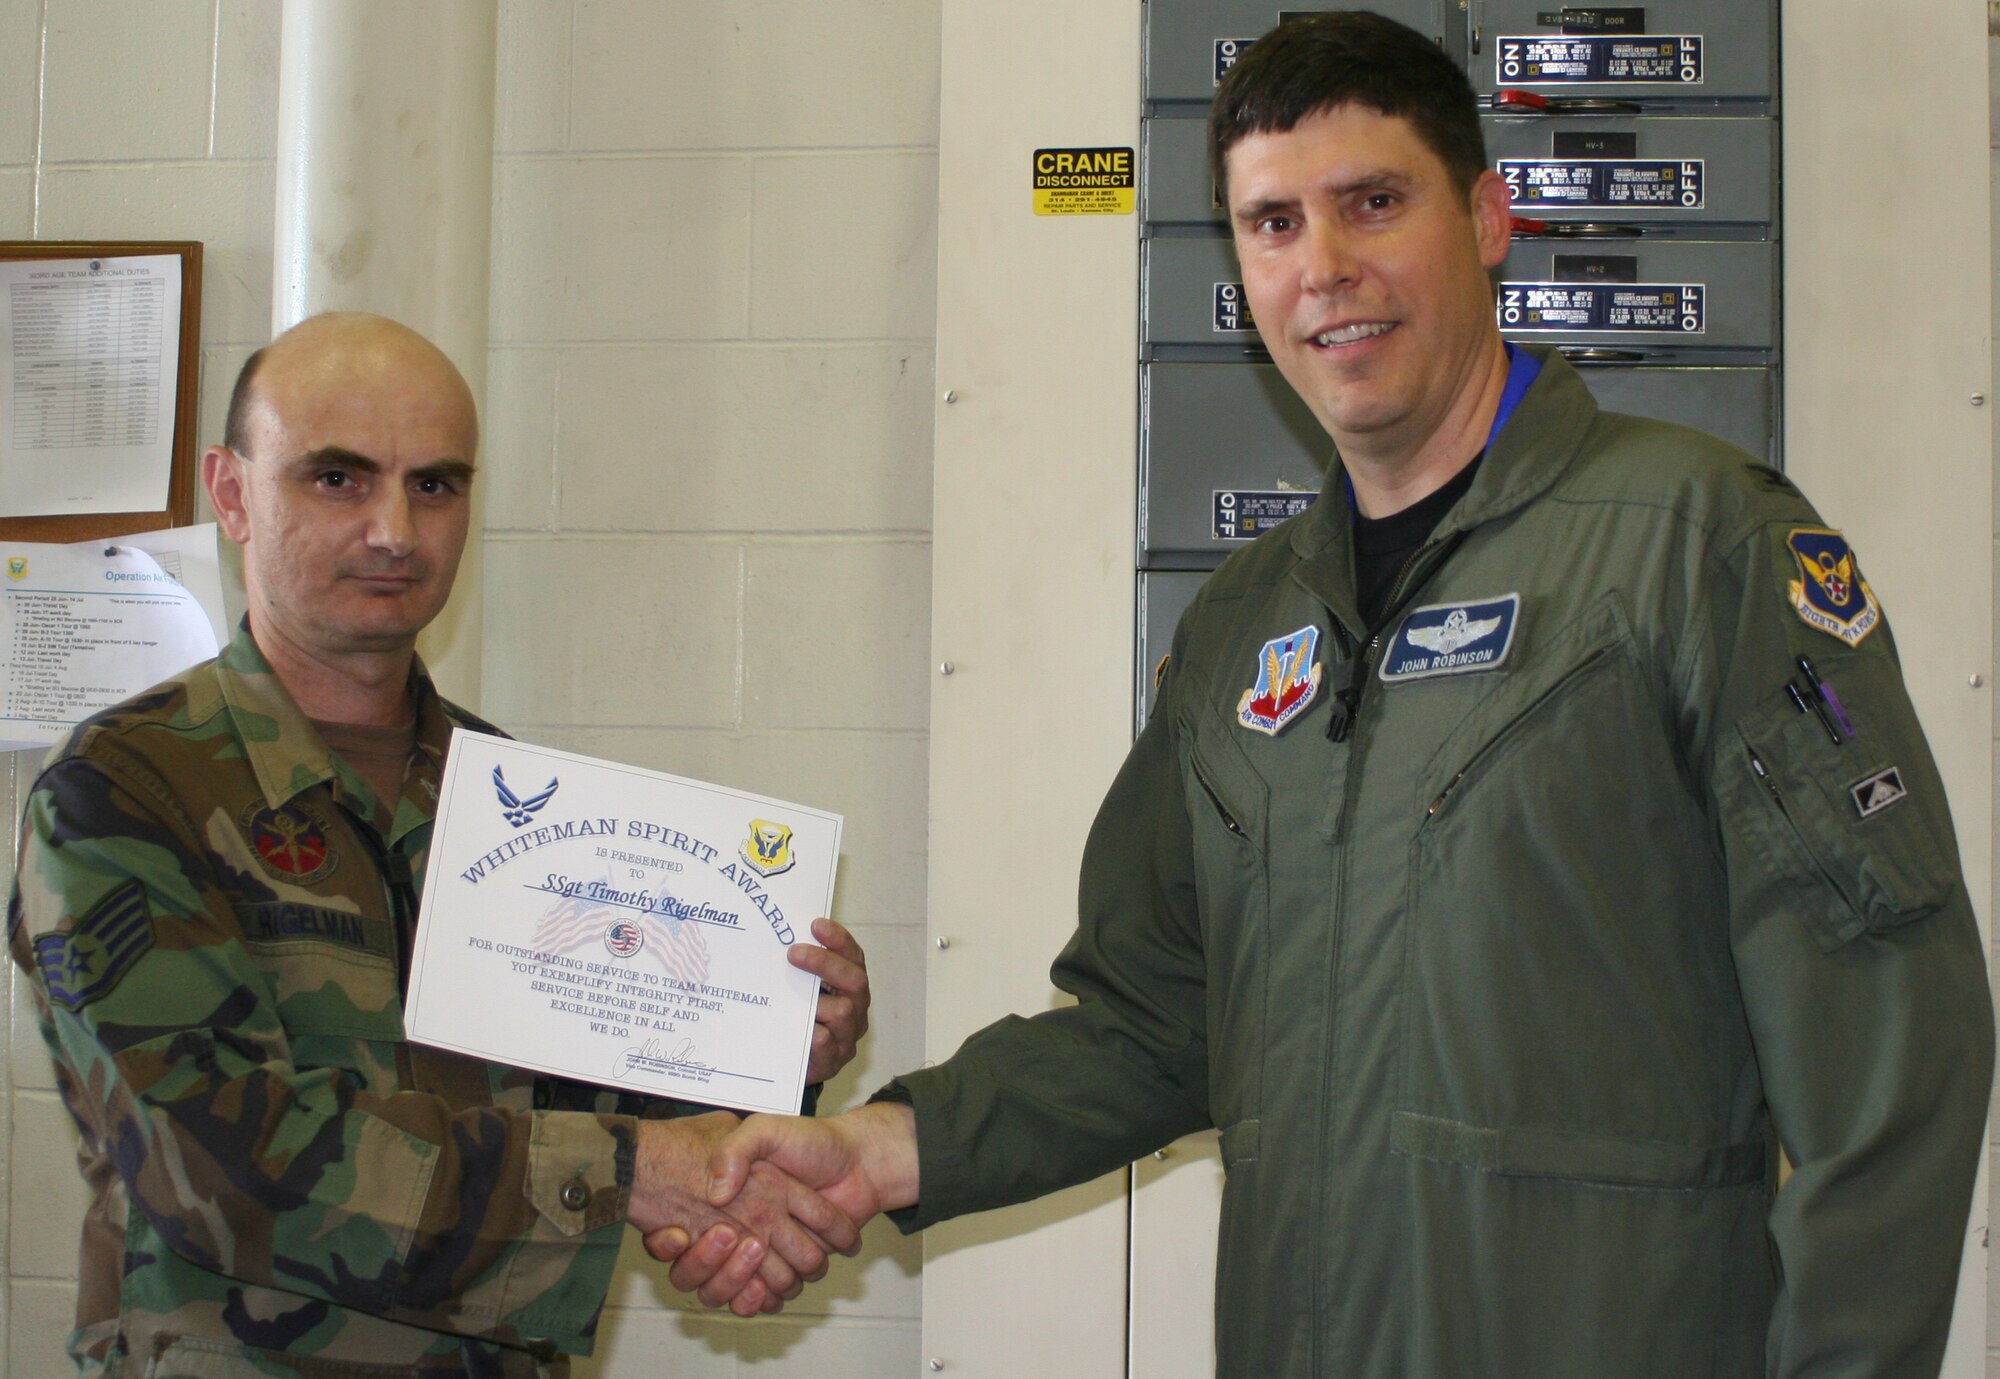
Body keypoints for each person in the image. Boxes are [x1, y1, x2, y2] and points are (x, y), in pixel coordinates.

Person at [672, 12, 1995, 1377]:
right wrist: (877, 1148)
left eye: (1374, 202)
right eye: (1273, 223)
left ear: (1486, 216)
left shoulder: (1695, 546)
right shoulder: (1249, 626)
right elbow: (1153, 1018)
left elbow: (1892, 1067)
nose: (1327, 270)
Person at [6, 312, 873, 1377]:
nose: (393, 531)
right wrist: (637, 1169)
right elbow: (214, 1161)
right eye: (337, 479)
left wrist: (769, 1052)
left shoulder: (514, 800)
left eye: (434, 485)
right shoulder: (124, 790)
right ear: (231, 492)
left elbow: (600, 1094)